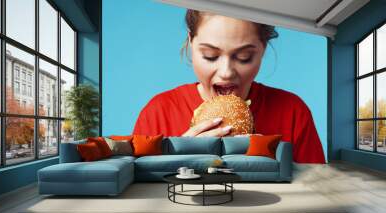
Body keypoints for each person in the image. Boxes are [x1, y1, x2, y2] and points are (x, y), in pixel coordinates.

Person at [133, 10, 325, 163]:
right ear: (191, 43)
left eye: (244, 57)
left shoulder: (292, 111)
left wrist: (273, 165)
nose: (226, 72)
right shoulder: (157, 113)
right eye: (210, 55)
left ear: (263, 49)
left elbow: (317, 192)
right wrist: (177, 160)